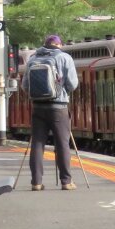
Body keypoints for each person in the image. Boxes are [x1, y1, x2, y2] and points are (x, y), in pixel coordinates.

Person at [22, 34, 79, 190]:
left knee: (37, 144)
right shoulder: (65, 58)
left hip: (38, 108)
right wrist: (62, 92)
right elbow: (73, 84)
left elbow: (25, 86)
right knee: (62, 144)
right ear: (59, 45)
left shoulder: (32, 59)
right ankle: (66, 181)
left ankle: (36, 182)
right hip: (58, 107)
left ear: (45, 45)